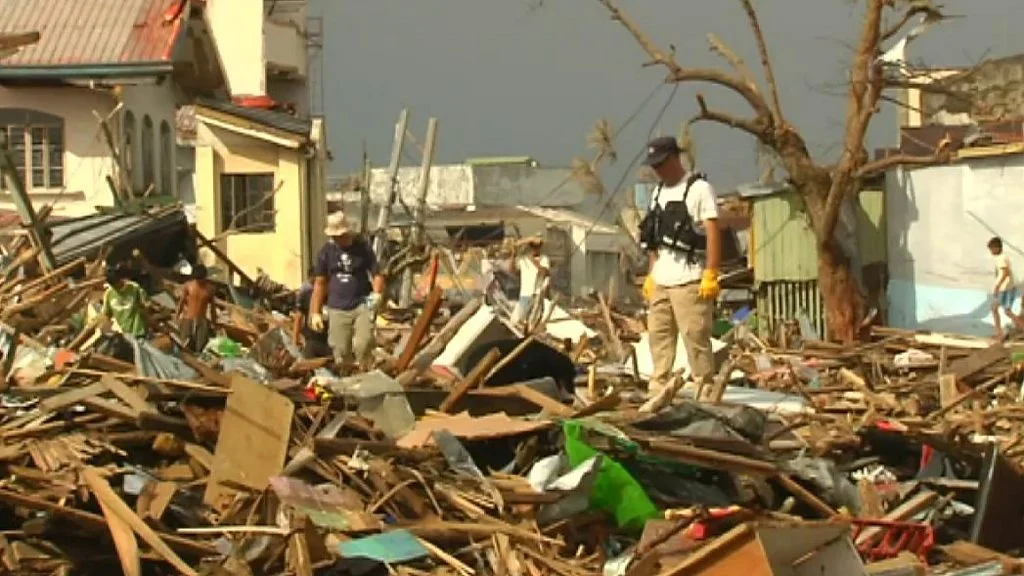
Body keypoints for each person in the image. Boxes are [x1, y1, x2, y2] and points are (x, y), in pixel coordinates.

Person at [638, 136, 722, 408]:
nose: (657, 170)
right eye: (654, 165)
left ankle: (704, 390)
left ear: (675, 158)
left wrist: (711, 273)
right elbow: (653, 238)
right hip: (662, 278)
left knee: (695, 336)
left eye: (661, 163)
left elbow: (712, 232)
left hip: (689, 277)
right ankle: (658, 387)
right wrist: (651, 274)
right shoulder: (657, 192)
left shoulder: (699, 189)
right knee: (659, 336)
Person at [309, 212, 384, 372]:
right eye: (334, 236)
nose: (338, 239)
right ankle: (347, 377)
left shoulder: (362, 248)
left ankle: (367, 373)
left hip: (362, 304)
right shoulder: (326, 252)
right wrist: (315, 312)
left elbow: (377, 274)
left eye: (340, 236)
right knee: (340, 349)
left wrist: (376, 294)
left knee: (363, 344)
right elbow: (320, 283)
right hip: (337, 307)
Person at [176, 263, 217, 353]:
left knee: (200, 348)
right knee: (185, 346)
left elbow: (213, 308)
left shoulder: (210, 289)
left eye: (201, 279)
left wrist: (214, 323)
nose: (199, 281)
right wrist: (177, 316)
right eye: (197, 279)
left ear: (205, 277)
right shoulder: (188, 286)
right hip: (188, 320)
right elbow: (181, 302)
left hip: (201, 322)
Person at [100, 265, 149, 338]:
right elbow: (106, 315)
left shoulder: (134, 288)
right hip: (123, 334)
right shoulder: (108, 294)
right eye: (113, 285)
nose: (116, 286)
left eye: (116, 282)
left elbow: (145, 307)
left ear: (120, 279)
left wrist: (147, 324)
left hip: (138, 331)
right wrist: (107, 328)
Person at [293, 266, 332, 358]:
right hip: (313, 341)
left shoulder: (334, 297)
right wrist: (295, 338)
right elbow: (298, 317)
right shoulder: (306, 295)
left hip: (329, 342)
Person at [510, 235, 550, 325]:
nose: (535, 249)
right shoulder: (523, 259)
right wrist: (514, 253)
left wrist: (533, 260)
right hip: (525, 294)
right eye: (533, 247)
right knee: (519, 321)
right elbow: (512, 270)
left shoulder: (544, 259)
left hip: (537, 295)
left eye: (537, 247)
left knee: (534, 321)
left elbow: (544, 272)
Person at [988, 236, 1022, 341]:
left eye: (992, 249)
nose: (991, 251)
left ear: (997, 248)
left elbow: (1006, 272)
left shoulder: (1001, 258)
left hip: (1006, 288)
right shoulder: (1003, 257)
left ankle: (1000, 334)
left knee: (997, 309)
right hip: (1007, 288)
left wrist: (998, 286)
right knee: (1005, 311)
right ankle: (1000, 333)